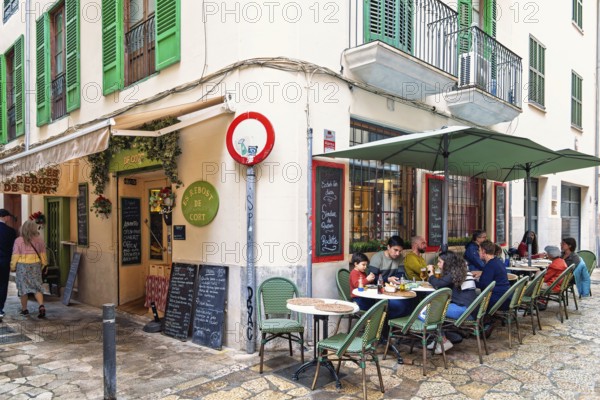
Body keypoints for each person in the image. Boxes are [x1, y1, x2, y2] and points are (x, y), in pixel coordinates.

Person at [424, 251, 477, 354]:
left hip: (465, 312)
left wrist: (430, 273)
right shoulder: (461, 271)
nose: (438, 264)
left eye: (440, 262)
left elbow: (438, 284)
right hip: (471, 310)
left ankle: (443, 340)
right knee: (436, 307)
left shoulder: (453, 273)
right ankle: (437, 340)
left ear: (447, 263)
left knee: (431, 310)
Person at [368, 235, 412, 322]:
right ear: (388, 247)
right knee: (399, 305)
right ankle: (384, 326)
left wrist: (398, 280)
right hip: (378, 290)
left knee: (412, 301)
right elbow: (372, 278)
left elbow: (401, 274)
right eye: (395, 250)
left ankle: (394, 326)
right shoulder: (377, 258)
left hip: (393, 290)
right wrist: (387, 279)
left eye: (400, 251)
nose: (398, 253)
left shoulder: (400, 258)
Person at [10, 220, 47, 318]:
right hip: (35, 265)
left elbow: (15, 255)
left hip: (22, 266)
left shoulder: (18, 240)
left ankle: (24, 309)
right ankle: (41, 306)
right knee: (37, 287)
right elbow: (43, 254)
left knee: (23, 289)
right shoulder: (40, 240)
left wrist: (13, 266)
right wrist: (44, 265)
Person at [472, 240, 510, 311]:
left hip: (496, 300)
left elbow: (484, 286)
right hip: (505, 298)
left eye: (479, 251)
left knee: (469, 300)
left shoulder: (490, 266)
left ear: (483, 252)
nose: (478, 253)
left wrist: (471, 280)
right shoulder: (498, 261)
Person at [0, 209, 17, 319]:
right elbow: (13, 249)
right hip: (4, 262)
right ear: (5, 217)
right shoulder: (11, 231)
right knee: (2, 285)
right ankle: (0, 309)